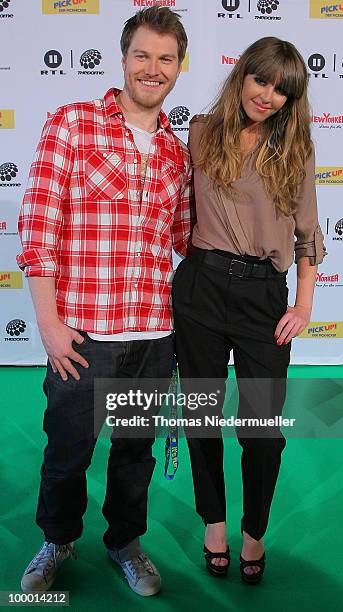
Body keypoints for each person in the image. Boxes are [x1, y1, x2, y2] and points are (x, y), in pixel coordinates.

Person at [17, 6, 193, 597]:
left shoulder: (176, 151)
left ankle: (124, 543)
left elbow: (184, 239)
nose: (152, 68)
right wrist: (48, 321)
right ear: (123, 59)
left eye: (165, 59)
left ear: (178, 67)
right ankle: (57, 539)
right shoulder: (70, 123)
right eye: (142, 55)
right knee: (67, 450)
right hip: (82, 333)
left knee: (135, 454)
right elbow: (39, 227)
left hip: (151, 333)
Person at [173, 37, 326, 584]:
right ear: (242, 76)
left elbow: (308, 234)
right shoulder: (198, 135)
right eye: (261, 80)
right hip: (201, 288)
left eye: (282, 89)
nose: (267, 94)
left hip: (264, 296)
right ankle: (214, 523)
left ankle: (253, 532)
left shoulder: (297, 150)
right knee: (202, 416)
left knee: (262, 429)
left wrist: (305, 302)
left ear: (292, 98)